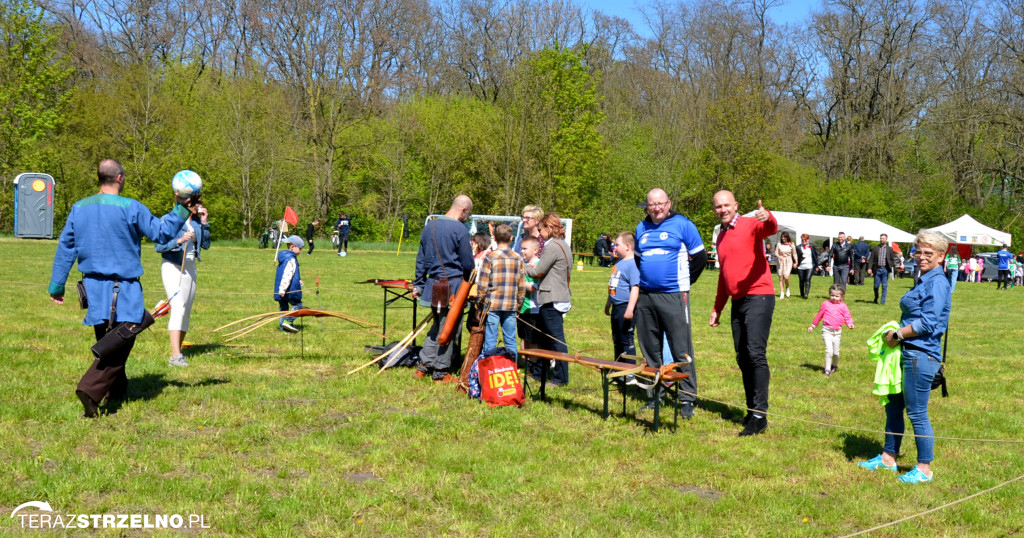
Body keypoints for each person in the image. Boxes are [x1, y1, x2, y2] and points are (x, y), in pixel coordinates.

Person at [49, 159, 195, 418]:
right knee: (121, 340)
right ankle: (90, 388)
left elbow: (66, 247)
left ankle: (116, 390)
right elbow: (161, 234)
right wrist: (182, 208)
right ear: (119, 178)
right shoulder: (132, 207)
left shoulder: (79, 208)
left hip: (93, 286)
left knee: (107, 339)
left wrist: (57, 284)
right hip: (124, 287)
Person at [857, 230, 951, 484]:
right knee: (894, 407)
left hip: (921, 356)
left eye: (928, 253)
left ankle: (924, 469)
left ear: (941, 256)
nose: (921, 256)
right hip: (906, 352)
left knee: (917, 413)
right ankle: (888, 459)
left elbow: (928, 323)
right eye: (918, 251)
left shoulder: (938, 282)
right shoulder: (924, 279)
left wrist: (896, 335)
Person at [709, 191, 777, 436]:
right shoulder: (721, 235)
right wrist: (718, 308)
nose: (723, 209)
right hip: (738, 300)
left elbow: (770, 228)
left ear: (736, 205)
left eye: (727, 205)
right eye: (718, 206)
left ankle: (760, 416)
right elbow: (724, 275)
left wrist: (767, 216)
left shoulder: (751, 224)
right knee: (742, 356)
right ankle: (751, 411)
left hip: (759, 295)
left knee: (755, 353)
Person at [635, 188, 706, 416]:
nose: (657, 208)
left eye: (661, 203)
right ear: (647, 206)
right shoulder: (641, 228)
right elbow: (638, 260)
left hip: (675, 295)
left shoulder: (683, 224)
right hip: (646, 296)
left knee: (680, 347)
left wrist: (684, 283)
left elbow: (701, 258)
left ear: (669, 204)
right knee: (650, 348)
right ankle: (656, 395)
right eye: (652, 204)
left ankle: (687, 398)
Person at [412, 195, 475, 383]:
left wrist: (419, 283)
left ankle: (423, 366)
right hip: (452, 287)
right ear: (463, 210)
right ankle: (440, 372)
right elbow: (467, 264)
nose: (467, 217)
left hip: (433, 284)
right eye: (468, 213)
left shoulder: (429, 226)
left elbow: (420, 260)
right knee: (449, 329)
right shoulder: (459, 229)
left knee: (438, 326)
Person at [154, 202, 211, 367]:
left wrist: (205, 223)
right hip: (173, 266)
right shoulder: (168, 219)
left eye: (200, 202)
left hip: (191, 268)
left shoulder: (196, 222)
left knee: (186, 310)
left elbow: (206, 245)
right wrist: (179, 241)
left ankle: (178, 351)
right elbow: (159, 246)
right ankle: (175, 356)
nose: (199, 205)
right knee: (178, 307)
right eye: (196, 203)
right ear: (186, 203)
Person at [524, 213, 573, 386]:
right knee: (545, 337)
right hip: (557, 295)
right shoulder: (563, 244)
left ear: (548, 228)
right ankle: (540, 372)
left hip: (553, 297)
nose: (539, 231)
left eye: (541, 227)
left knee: (556, 339)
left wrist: (522, 266)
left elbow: (538, 272)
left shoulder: (552, 247)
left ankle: (560, 378)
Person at [478, 224, 526, 358]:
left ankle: (489, 370)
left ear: (494, 237)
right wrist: (519, 305)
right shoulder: (518, 258)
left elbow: (483, 283)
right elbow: (521, 285)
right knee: (510, 339)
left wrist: (480, 301)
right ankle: (512, 370)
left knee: (490, 340)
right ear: (511, 238)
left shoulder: (490, 257)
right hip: (510, 305)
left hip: (492, 305)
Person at [605, 231, 640, 365]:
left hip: (625, 307)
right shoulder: (619, 261)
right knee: (617, 338)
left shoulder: (632, 264)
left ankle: (630, 371)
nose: (614, 248)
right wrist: (608, 303)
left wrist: (630, 309)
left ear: (627, 246)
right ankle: (618, 369)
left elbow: (635, 288)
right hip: (616, 306)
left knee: (626, 339)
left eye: (617, 245)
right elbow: (613, 284)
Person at [808, 284, 854, 377]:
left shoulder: (843, 306)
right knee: (829, 351)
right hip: (827, 330)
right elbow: (819, 315)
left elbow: (847, 316)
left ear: (842, 296)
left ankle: (834, 365)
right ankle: (827, 369)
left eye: (837, 296)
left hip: (837, 332)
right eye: (832, 295)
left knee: (836, 353)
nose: (834, 298)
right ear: (829, 294)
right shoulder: (826, 304)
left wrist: (849, 324)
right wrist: (813, 326)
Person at [517, 236, 542, 355]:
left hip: (533, 309)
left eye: (525, 249)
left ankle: (533, 362)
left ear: (535, 250)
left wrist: (518, 281)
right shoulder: (525, 265)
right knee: (523, 336)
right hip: (523, 308)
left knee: (532, 339)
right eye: (521, 248)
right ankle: (524, 362)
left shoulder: (538, 266)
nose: (522, 251)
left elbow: (534, 288)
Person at [274, 236, 304, 332]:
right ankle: (288, 321)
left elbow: (290, 273)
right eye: (300, 249)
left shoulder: (284, 257)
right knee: (298, 305)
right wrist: (283, 289)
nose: (301, 251)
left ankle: (283, 329)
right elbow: (287, 275)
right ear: (292, 247)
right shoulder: (291, 259)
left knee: (284, 308)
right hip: (289, 290)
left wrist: (298, 280)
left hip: (282, 288)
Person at [867, 234, 897, 305]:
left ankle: (883, 301)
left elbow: (892, 260)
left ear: (886, 239)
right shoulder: (875, 248)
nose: (882, 239)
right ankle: (876, 297)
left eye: (883, 238)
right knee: (876, 286)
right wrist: (869, 268)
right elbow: (871, 259)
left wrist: (893, 269)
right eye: (881, 238)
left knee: (884, 286)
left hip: (885, 270)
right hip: (877, 269)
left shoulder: (889, 249)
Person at [774, 232, 798, 299]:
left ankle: (787, 288)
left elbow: (794, 254)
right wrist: (779, 257)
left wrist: (796, 262)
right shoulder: (779, 244)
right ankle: (782, 292)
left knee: (786, 276)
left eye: (784, 237)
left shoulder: (791, 244)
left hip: (788, 261)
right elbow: (776, 253)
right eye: (782, 237)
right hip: (781, 261)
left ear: (787, 237)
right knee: (781, 277)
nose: (783, 238)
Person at [794, 233, 818, 299]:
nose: (804, 241)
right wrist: (795, 263)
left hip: (809, 266)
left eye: (805, 240)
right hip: (800, 266)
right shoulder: (798, 247)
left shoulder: (812, 247)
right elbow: (795, 256)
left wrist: (816, 266)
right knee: (801, 280)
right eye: (802, 240)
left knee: (807, 279)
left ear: (808, 240)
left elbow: (815, 256)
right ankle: (801, 293)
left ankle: (806, 294)